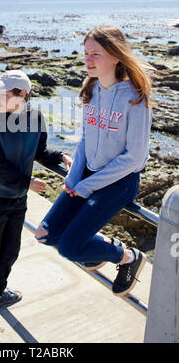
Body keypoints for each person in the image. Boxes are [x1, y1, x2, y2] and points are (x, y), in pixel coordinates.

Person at [35, 25, 154, 297]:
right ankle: (101, 249)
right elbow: (86, 141)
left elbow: (134, 157)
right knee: (44, 234)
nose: (88, 60)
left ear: (115, 55)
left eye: (95, 54)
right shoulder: (92, 90)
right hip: (88, 175)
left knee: (68, 248)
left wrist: (88, 186)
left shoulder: (135, 98)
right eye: (86, 53)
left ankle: (128, 257)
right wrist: (75, 177)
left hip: (120, 182)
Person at [0, 70, 72, 313]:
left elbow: (39, 152)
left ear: (22, 95)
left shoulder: (36, 118)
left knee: (11, 250)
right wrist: (26, 183)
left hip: (17, 200)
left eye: (3, 93)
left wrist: (61, 156)